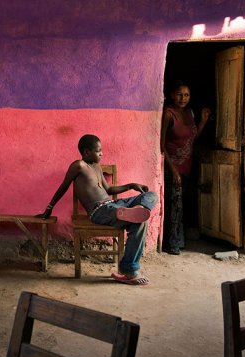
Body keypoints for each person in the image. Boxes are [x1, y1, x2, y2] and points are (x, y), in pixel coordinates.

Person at [39, 134, 158, 285]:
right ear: (87, 152)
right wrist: (49, 208)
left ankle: (137, 209)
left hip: (113, 205)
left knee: (150, 199)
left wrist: (131, 185)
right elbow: (63, 186)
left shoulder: (97, 167)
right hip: (99, 211)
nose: (102, 153)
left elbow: (109, 189)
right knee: (139, 222)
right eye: (98, 151)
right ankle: (130, 270)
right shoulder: (78, 165)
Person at [160, 81, 210, 255]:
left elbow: (191, 140)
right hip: (171, 168)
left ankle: (178, 241)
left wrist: (202, 122)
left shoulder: (190, 112)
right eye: (179, 94)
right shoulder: (168, 113)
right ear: (173, 95)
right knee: (174, 205)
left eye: (186, 95)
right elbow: (161, 145)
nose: (183, 98)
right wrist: (173, 170)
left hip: (187, 166)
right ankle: (171, 243)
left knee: (182, 204)